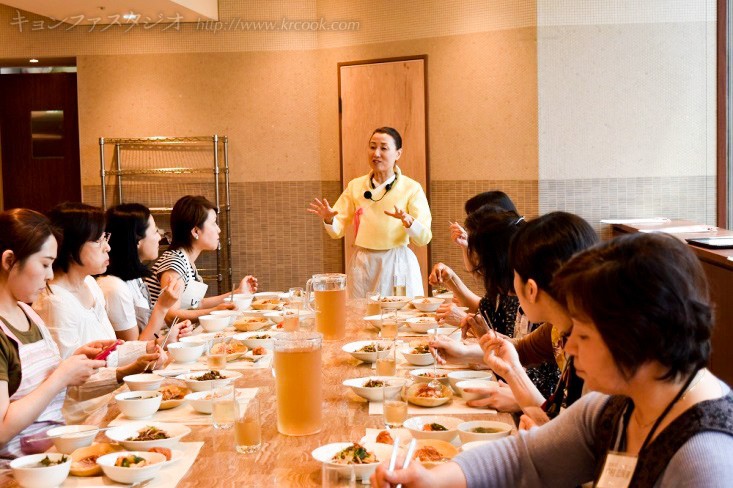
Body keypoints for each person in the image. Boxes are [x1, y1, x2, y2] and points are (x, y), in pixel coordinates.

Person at [373, 232, 733, 487]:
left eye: (584, 334)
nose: (570, 346)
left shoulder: (705, 460)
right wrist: (433, 478)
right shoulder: (614, 407)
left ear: (635, 336)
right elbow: (524, 458)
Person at [431, 212, 597, 417]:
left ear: (531, 289)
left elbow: (571, 433)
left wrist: (520, 394)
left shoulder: (592, 351)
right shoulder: (559, 326)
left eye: (515, 273)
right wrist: (462, 352)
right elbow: (520, 349)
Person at [33, 203, 164, 423]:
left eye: (106, 238)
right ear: (71, 245)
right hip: (82, 420)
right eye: (98, 240)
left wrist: (147, 348)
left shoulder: (90, 285)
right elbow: (69, 386)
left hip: (110, 402)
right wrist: (127, 371)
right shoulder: (54, 301)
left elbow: (108, 352)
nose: (107, 247)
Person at [0, 209, 107, 461]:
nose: (50, 275)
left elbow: (39, 388)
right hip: (17, 471)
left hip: (55, 455)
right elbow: (2, 429)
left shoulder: (28, 313)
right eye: (45, 264)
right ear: (8, 261)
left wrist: (71, 365)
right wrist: (59, 377)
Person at [308, 127, 432, 298]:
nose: (377, 153)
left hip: (396, 262)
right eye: (373, 147)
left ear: (398, 154)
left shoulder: (411, 188)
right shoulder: (355, 186)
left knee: (397, 316)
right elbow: (337, 229)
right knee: (361, 316)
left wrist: (409, 221)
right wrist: (329, 219)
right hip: (363, 261)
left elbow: (424, 238)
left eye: (384, 148)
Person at [145, 195, 258, 321]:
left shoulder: (184, 259)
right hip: (159, 337)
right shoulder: (174, 264)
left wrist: (238, 292)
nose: (219, 230)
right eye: (213, 223)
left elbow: (197, 304)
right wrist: (213, 312)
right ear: (195, 231)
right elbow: (170, 315)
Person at [97, 203, 191, 341]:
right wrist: (162, 306)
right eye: (154, 232)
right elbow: (133, 350)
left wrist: (171, 333)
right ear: (137, 240)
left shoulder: (133, 278)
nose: (160, 237)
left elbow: (148, 332)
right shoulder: (114, 288)